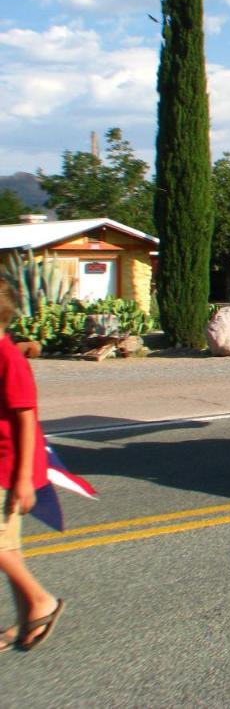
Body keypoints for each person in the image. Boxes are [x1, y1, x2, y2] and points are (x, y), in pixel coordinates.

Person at [0, 279, 65, 652]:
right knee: (8, 549)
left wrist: (24, 479)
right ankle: (26, 620)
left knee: (3, 548)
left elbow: (27, 421)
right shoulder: (6, 352)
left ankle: (42, 601)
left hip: (9, 470)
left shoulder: (8, 361)